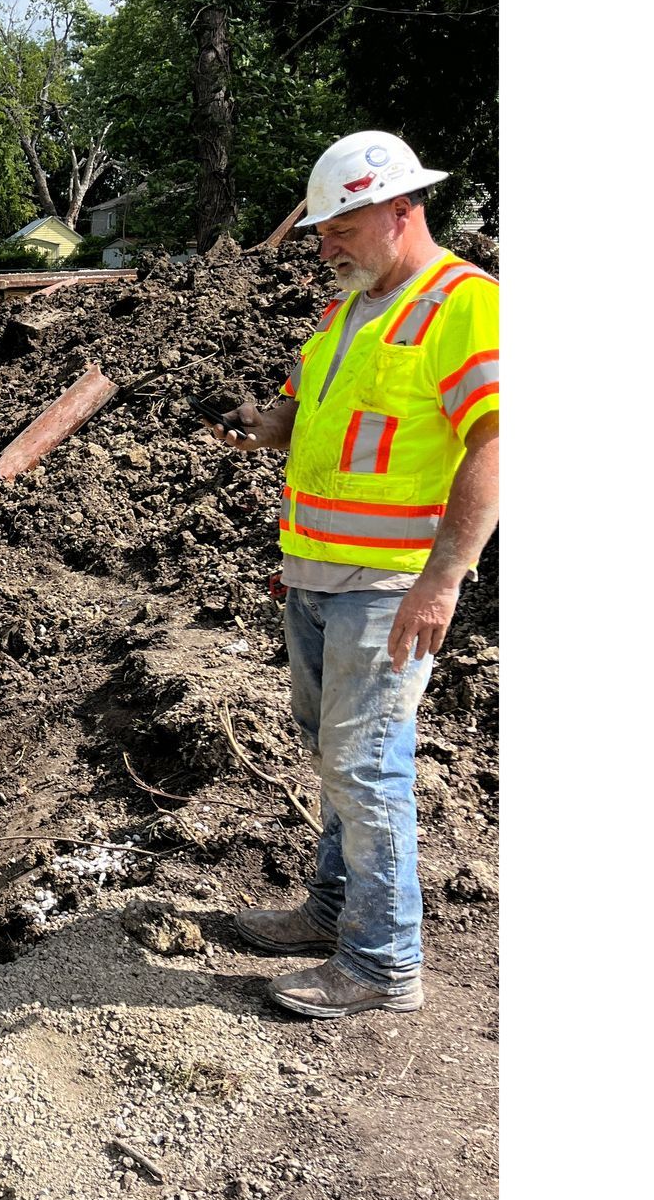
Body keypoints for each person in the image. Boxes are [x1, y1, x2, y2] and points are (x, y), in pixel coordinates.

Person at [204, 131, 499, 1018]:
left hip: (387, 586)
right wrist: (259, 424)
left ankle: (381, 962)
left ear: (403, 211)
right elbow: (307, 422)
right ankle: (332, 910)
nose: (324, 247)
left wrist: (445, 578)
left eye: (341, 228)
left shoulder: (463, 304)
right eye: (322, 231)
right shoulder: (347, 314)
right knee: (332, 752)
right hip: (316, 576)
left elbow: (496, 441)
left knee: (368, 766)